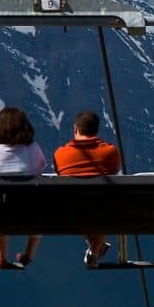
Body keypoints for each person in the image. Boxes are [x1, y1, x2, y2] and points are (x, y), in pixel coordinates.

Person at [0, 107, 46, 268]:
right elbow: (41, 166)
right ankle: (28, 254)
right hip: (30, 214)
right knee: (39, 207)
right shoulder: (33, 149)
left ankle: (1, 254)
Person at [53, 110, 121, 267]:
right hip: (105, 212)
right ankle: (96, 249)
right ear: (96, 130)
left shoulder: (60, 154)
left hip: (69, 214)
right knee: (102, 206)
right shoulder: (110, 152)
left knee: (78, 206)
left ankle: (96, 247)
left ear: (75, 129)